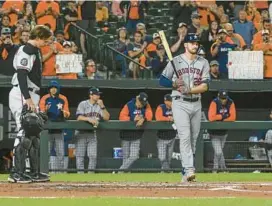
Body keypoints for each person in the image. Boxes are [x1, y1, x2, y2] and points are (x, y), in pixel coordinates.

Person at [159, 33, 210, 182]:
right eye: (192, 42)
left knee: (193, 139)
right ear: (185, 45)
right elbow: (162, 81)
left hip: (196, 102)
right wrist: (174, 84)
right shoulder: (176, 61)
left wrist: (190, 89)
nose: (195, 45)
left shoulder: (204, 62)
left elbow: (206, 86)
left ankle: (184, 171)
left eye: (196, 43)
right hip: (179, 102)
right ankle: (189, 169)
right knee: (185, 136)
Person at [8, 25, 53, 183]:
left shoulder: (34, 51)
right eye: (45, 40)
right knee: (24, 129)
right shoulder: (26, 50)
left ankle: (33, 172)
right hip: (22, 93)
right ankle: (16, 172)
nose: (46, 43)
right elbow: (21, 75)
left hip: (31, 93)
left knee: (34, 132)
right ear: (39, 37)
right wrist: (27, 99)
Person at [75, 87, 110, 173]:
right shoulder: (83, 104)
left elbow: (107, 118)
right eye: (96, 94)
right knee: (80, 156)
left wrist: (102, 106)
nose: (98, 96)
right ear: (91, 95)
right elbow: (79, 117)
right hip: (81, 133)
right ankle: (80, 175)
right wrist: (89, 119)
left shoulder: (100, 106)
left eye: (99, 94)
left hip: (92, 133)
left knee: (93, 156)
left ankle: (91, 174)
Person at [39, 80, 70, 173]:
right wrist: (45, 110)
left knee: (61, 153)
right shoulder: (45, 98)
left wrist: (63, 112)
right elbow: (40, 113)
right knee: (46, 153)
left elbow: (68, 114)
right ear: (49, 89)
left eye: (55, 88)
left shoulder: (63, 98)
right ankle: (44, 172)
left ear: (58, 89)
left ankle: (61, 172)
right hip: (47, 131)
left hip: (59, 130)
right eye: (51, 88)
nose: (53, 90)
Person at [119, 92, 153, 172]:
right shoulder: (129, 105)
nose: (141, 105)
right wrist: (132, 119)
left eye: (143, 103)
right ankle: (124, 175)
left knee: (134, 156)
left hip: (137, 135)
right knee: (125, 157)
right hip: (125, 134)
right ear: (137, 99)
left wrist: (143, 119)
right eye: (140, 102)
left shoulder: (146, 105)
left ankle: (120, 171)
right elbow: (121, 117)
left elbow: (150, 115)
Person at [208, 90, 236, 173]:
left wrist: (220, 119)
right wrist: (224, 116)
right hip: (214, 133)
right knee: (219, 152)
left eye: (225, 98)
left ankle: (216, 170)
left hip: (224, 133)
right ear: (218, 96)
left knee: (219, 153)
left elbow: (233, 117)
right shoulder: (214, 102)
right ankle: (222, 169)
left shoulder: (230, 102)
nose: (223, 100)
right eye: (222, 99)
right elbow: (211, 118)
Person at [155, 94, 176, 171]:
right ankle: (167, 171)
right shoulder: (161, 107)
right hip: (162, 136)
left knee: (169, 158)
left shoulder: (175, 108)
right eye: (170, 101)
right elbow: (158, 117)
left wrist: (174, 118)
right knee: (162, 157)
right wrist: (168, 118)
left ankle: (164, 171)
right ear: (166, 101)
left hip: (172, 136)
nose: (172, 103)